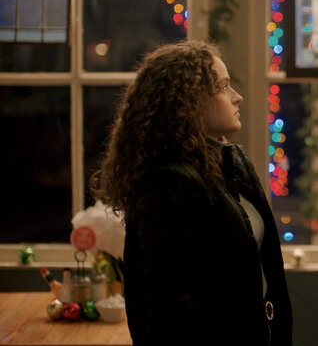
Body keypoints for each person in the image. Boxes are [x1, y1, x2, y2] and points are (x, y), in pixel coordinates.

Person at [92, 41, 292, 345]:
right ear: (189, 101)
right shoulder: (168, 183)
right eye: (222, 87)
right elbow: (173, 313)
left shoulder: (231, 162)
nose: (237, 96)